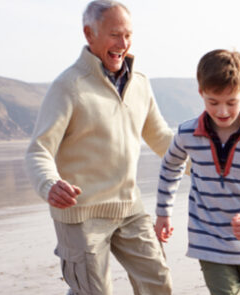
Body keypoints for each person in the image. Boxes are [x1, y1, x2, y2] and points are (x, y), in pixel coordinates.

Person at [24, 1, 174, 294]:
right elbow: (38, 149)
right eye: (115, 34)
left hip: (130, 207)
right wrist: (49, 183)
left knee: (159, 283)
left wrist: (211, 165)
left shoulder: (140, 84)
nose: (124, 43)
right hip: (81, 214)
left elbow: (161, 138)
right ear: (89, 34)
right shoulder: (69, 86)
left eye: (128, 35)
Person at [153, 49, 240, 295]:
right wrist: (163, 212)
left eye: (231, 102)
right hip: (208, 241)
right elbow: (170, 165)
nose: (223, 112)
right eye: (213, 102)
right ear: (201, 93)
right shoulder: (187, 134)